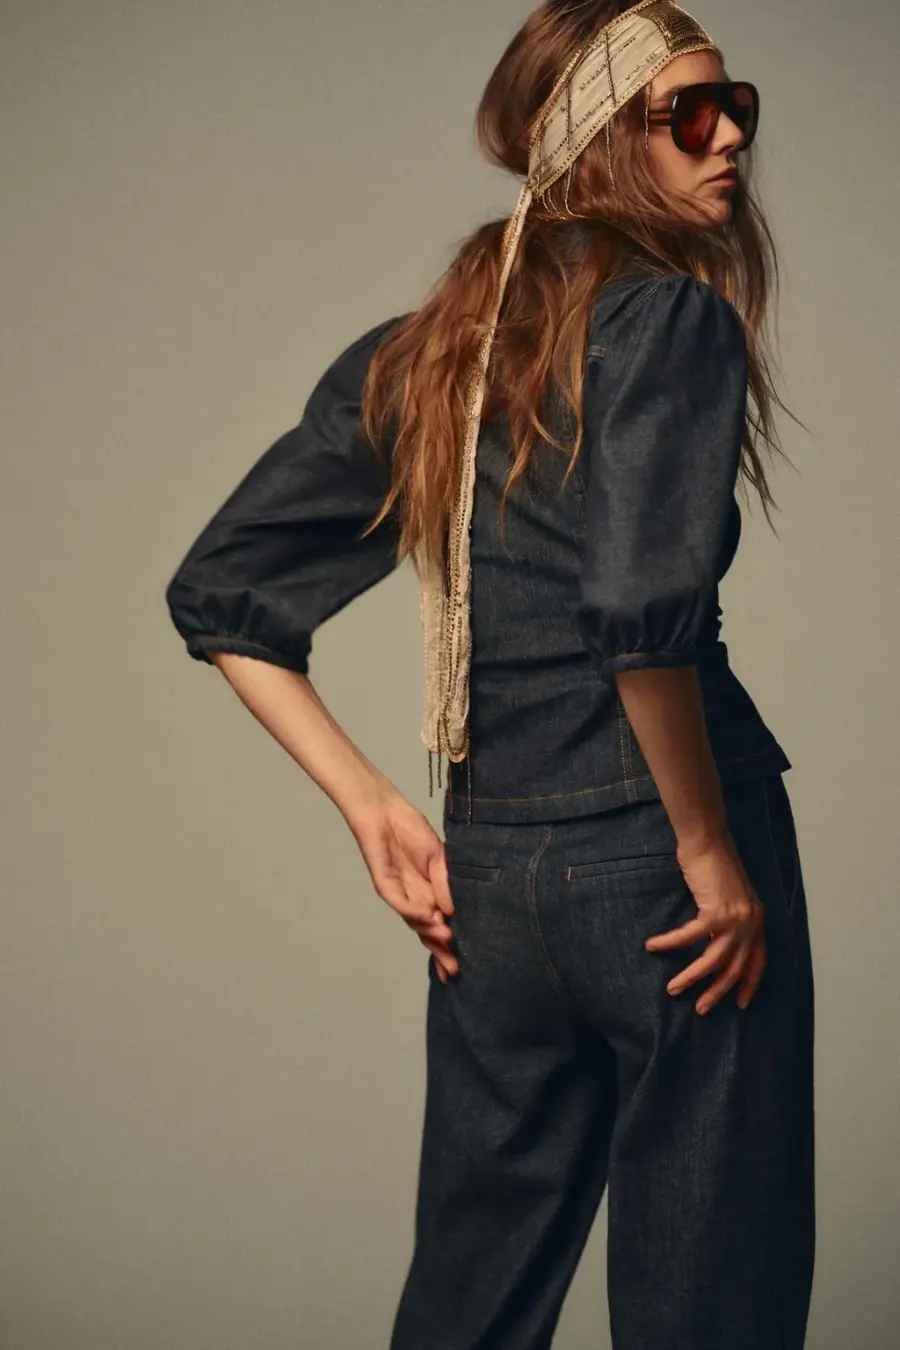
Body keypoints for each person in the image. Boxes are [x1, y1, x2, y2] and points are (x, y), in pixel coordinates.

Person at [164, 1, 815, 1346]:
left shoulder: (429, 351)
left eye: (737, 104)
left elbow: (223, 594)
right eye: (689, 113)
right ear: (601, 139)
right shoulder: (668, 320)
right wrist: (708, 852)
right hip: (663, 864)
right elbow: (638, 611)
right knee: (711, 1294)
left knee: (472, 1297)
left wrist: (377, 810)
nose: (730, 136)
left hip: (490, 878)